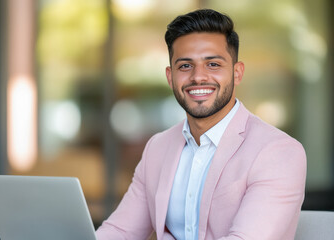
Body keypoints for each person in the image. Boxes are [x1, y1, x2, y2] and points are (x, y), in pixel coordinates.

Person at [96, 9, 306, 240]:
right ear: (170, 76)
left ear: (237, 73)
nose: (198, 77)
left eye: (213, 64)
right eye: (185, 66)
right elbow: (121, 231)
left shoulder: (278, 152)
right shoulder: (157, 147)